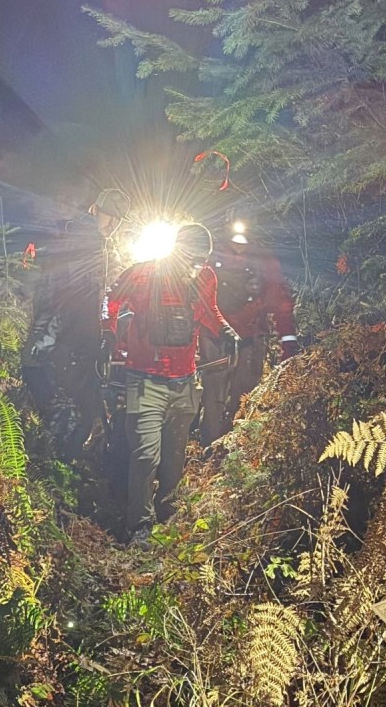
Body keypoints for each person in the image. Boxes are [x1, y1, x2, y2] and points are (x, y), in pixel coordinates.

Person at [101, 223, 240, 543]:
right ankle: (139, 527)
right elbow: (111, 299)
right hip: (144, 380)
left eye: (201, 260)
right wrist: (108, 332)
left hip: (184, 381)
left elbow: (208, 310)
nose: (196, 266)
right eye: (191, 259)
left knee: (175, 457)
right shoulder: (143, 273)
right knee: (145, 456)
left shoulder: (205, 277)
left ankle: (169, 515)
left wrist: (224, 331)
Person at [21, 188, 131, 461]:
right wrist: (53, 336)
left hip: (74, 335)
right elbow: (61, 292)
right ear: (96, 209)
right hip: (64, 335)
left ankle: (60, 462)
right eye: (110, 216)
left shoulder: (96, 241)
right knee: (68, 406)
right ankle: (56, 463)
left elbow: (95, 293)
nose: (113, 224)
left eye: (118, 219)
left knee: (78, 404)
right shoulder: (82, 238)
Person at [199, 218, 298, 447]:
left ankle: (236, 449)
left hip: (249, 339)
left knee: (245, 397)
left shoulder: (263, 261)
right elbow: (197, 300)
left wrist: (288, 344)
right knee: (214, 398)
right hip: (215, 338)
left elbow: (280, 303)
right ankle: (210, 449)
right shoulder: (212, 256)